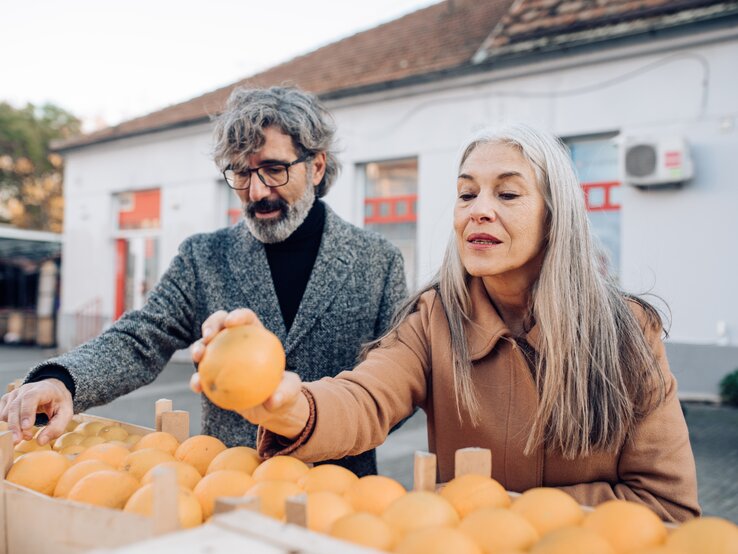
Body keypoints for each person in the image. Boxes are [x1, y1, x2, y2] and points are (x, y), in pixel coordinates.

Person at [193, 123, 700, 522]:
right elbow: (365, 398)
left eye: (507, 194)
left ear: (555, 216)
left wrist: (499, 515)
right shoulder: (434, 318)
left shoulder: (628, 332)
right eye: (466, 194)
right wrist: (287, 407)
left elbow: (665, 503)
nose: (478, 211)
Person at [0, 86, 407, 477]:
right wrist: (64, 379)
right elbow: (140, 337)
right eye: (241, 174)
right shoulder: (203, 256)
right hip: (226, 486)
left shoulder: (379, 260)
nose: (257, 190)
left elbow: (396, 390)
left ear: (316, 166)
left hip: (342, 494)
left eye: (274, 169)